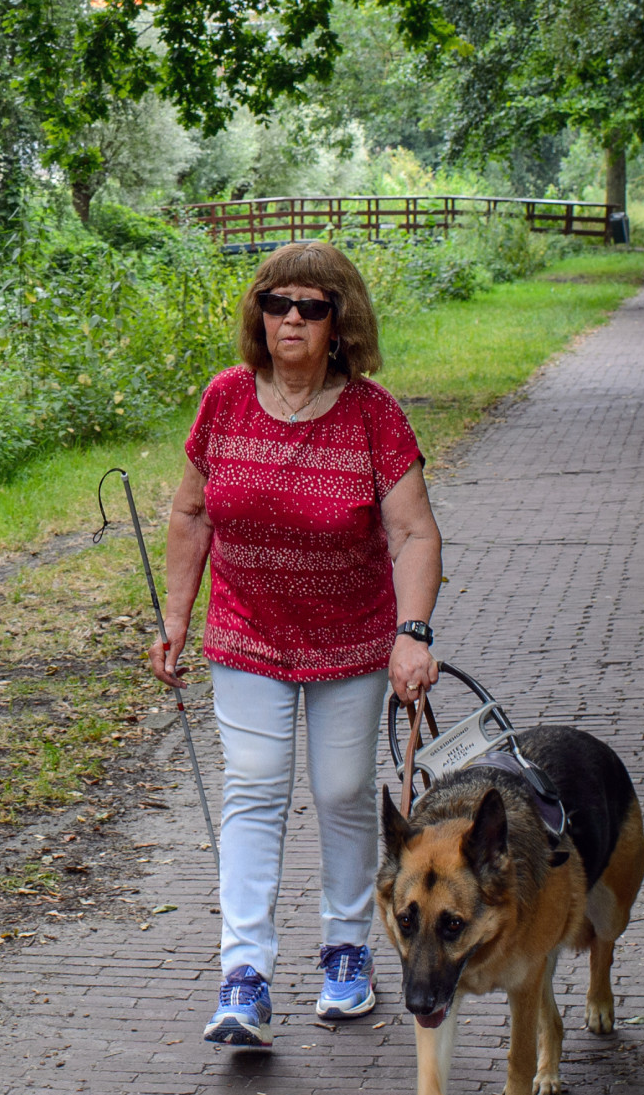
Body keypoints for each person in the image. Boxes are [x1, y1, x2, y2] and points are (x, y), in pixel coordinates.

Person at [149, 240, 443, 1048]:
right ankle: (243, 975)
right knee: (252, 787)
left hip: (350, 638)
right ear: (259, 314)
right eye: (277, 303)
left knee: (346, 790)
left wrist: (412, 633)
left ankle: (347, 952)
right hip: (247, 630)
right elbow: (192, 513)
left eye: (311, 307)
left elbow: (415, 532)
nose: (291, 319)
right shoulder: (225, 400)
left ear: (339, 323)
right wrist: (177, 615)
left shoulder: (373, 415)